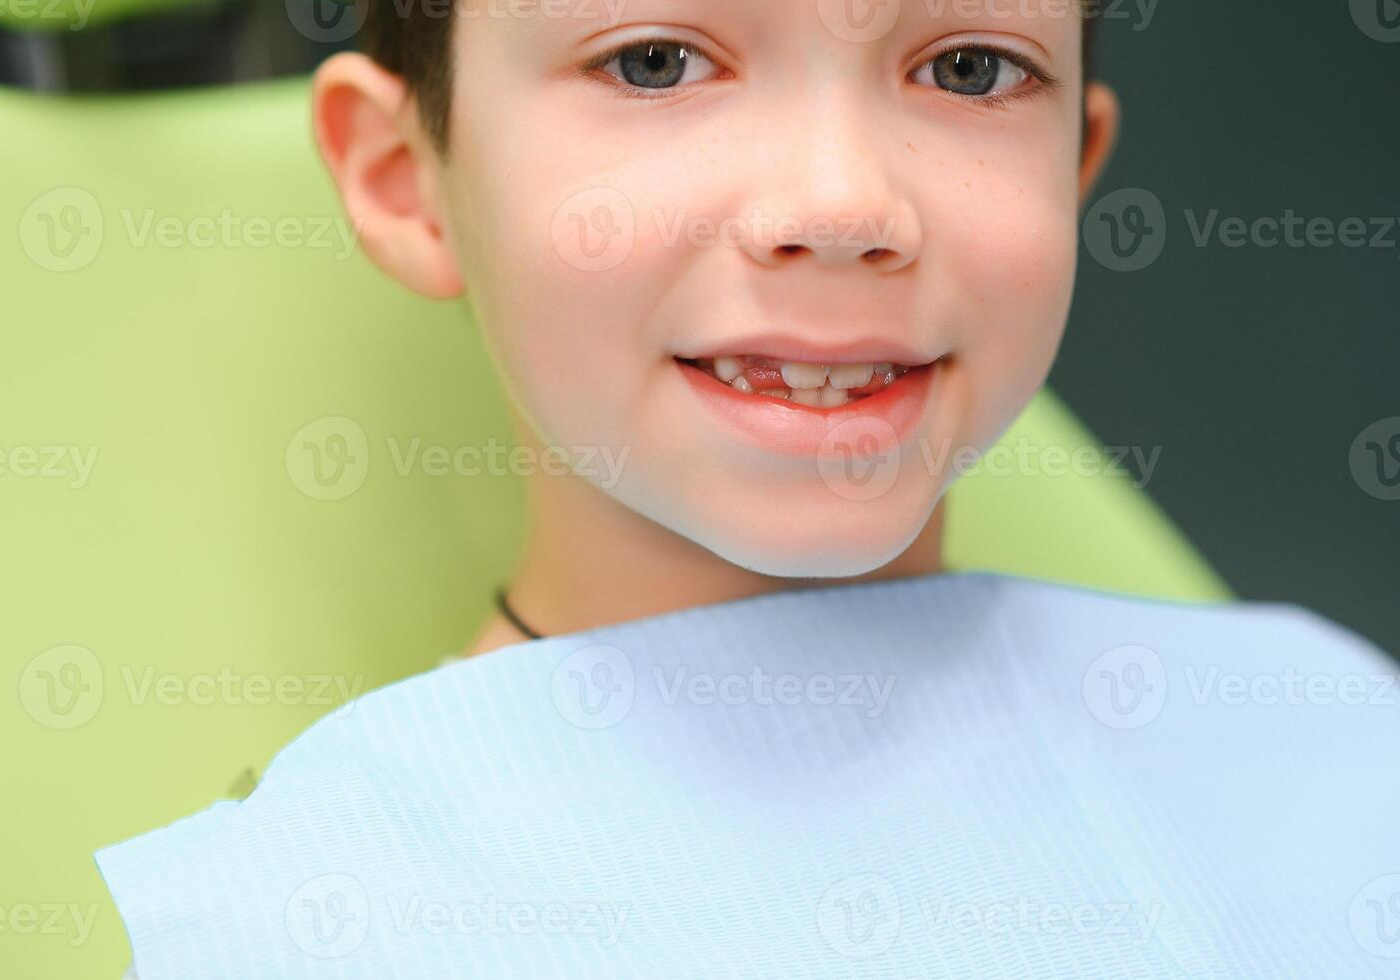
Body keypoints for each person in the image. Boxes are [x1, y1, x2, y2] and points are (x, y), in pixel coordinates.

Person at [102, 2, 1400, 976]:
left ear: (1072, 165)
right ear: (405, 180)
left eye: (967, 68)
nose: (840, 205)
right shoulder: (307, 920)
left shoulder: (1327, 736)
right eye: (655, 61)